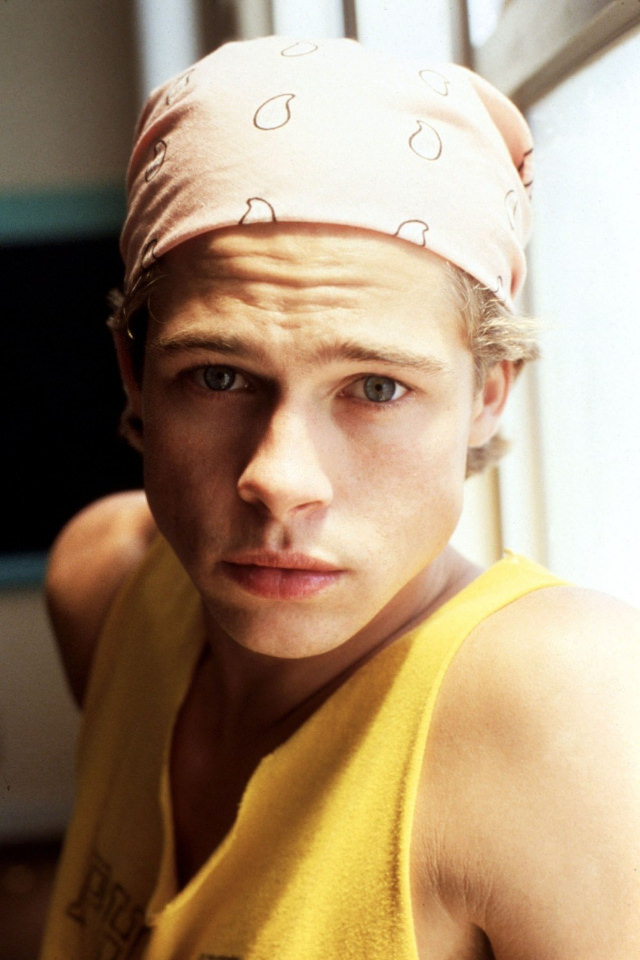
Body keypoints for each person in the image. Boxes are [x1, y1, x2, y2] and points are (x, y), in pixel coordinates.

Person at [42, 35, 640, 960]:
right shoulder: (102, 587)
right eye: (218, 377)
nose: (280, 479)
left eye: (376, 388)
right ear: (134, 373)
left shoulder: (575, 716)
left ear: (489, 392)